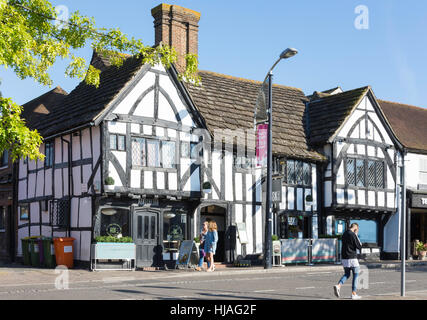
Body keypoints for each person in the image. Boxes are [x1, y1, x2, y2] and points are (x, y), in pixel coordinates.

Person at [333, 223, 363, 300]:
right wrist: (356, 234)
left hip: (344, 257)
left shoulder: (344, 234)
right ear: (356, 228)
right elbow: (359, 246)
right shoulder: (353, 234)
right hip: (352, 258)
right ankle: (353, 294)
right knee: (356, 275)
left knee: (347, 274)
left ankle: (338, 285)